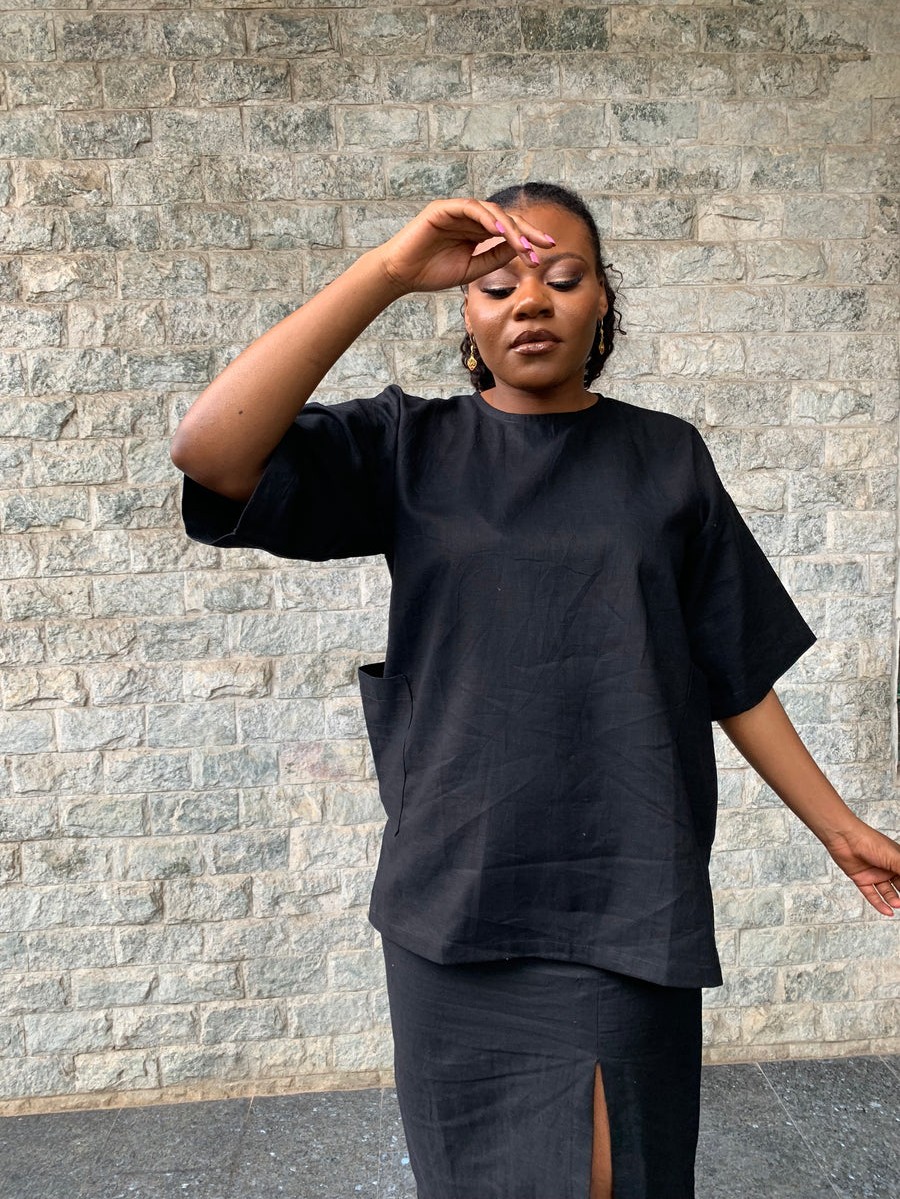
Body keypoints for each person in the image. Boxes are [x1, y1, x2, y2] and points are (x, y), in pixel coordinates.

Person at [170, 182, 900, 1199]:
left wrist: (840, 830)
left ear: (603, 305)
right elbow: (209, 451)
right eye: (498, 284)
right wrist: (389, 272)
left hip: (626, 890)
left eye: (563, 277)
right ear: (467, 319)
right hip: (456, 895)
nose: (530, 301)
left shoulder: (667, 457)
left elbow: (732, 673)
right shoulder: (409, 446)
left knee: (612, 1177)